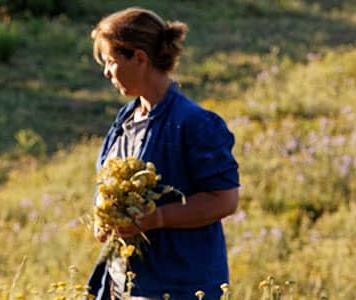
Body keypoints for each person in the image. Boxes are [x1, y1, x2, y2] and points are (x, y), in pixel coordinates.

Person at [85, 7, 240, 300]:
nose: (106, 72)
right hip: (123, 284)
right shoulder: (125, 120)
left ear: (140, 58)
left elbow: (224, 199)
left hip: (179, 285)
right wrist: (103, 218)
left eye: (110, 62)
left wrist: (155, 218)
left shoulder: (194, 123)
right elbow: (105, 185)